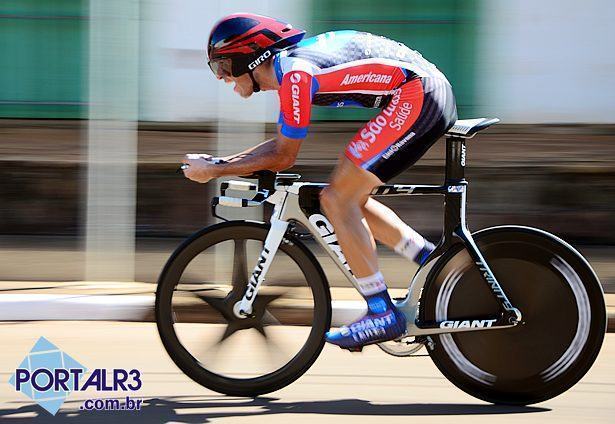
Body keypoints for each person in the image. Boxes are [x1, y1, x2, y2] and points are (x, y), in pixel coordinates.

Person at [183, 13, 458, 350]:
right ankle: (433, 263)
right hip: (421, 91)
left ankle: (381, 312)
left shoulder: (295, 75)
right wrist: (221, 165)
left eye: (223, 66)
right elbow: (278, 147)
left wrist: (215, 169)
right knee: (347, 195)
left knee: (337, 200)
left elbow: (284, 156)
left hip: (418, 95)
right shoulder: (291, 70)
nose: (222, 77)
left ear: (250, 57)